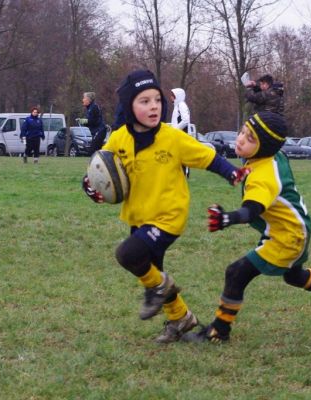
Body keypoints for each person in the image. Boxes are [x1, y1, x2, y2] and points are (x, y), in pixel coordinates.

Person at [81, 70, 248, 344]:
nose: (153, 106)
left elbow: (207, 157)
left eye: (157, 100)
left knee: (128, 255)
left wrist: (231, 173)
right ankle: (180, 318)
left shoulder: (172, 137)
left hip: (169, 217)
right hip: (138, 217)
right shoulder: (120, 138)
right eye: (144, 101)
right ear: (129, 107)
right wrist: (89, 187)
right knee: (152, 272)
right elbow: (99, 169)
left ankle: (161, 291)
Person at [181, 111, 311, 343]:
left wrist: (227, 218)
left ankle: (218, 331)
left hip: (287, 236)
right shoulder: (273, 154)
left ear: (263, 147)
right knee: (294, 276)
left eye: (250, 139)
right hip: (294, 226)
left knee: (236, 272)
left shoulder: (263, 176)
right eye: (242, 132)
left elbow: (251, 210)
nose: (240, 139)